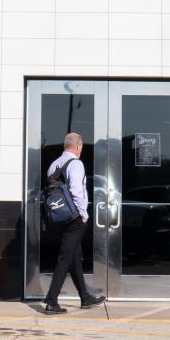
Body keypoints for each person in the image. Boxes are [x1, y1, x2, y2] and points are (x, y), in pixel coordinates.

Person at [43, 132, 105, 314]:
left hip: (59, 217)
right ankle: (52, 301)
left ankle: (85, 298)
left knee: (74, 257)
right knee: (65, 258)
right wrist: (84, 214)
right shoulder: (76, 164)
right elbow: (77, 190)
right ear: (78, 146)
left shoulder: (54, 164)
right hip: (75, 218)